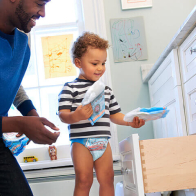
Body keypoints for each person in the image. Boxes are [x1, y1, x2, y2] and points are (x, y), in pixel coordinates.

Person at [58, 32, 145, 196]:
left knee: (107, 178)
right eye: (94, 63)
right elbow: (62, 115)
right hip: (81, 143)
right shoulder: (70, 88)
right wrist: (76, 116)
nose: (100, 68)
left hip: (103, 142)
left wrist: (130, 121)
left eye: (103, 63)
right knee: (84, 180)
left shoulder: (106, 90)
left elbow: (115, 114)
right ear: (78, 62)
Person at [0, 0, 60, 195]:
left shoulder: (22, 44)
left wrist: (32, 117)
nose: (43, 13)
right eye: (39, 3)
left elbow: (11, 83)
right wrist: (21, 124)